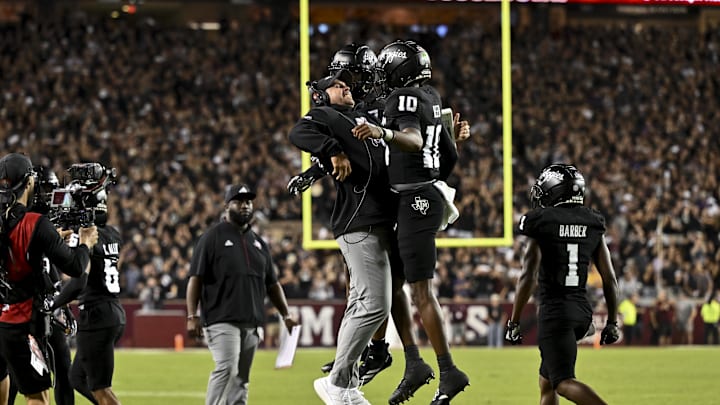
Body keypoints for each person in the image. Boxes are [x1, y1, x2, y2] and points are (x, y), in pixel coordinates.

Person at [352, 39, 468, 405]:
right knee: (393, 284)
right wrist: (455, 141)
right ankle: (412, 361)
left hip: (416, 199)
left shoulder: (402, 98)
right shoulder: (430, 98)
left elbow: (415, 141)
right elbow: (445, 162)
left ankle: (448, 371)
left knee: (420, 292)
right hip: (421, 194)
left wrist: (383, 133)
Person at [289, 68, 410, 405]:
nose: (344, 88)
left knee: (360, 304)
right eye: (336, 86)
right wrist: (331, 150)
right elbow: (299, 131)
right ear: (321, 95)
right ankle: (338, 382)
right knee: (375, 304)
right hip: (359, 221)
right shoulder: (325, 115)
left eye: (345, 85)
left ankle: (346, 384)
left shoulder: (360, 118)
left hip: (379, 220)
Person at [506, 163, 619, 405]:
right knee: (546, 381)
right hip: (581, 312)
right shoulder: (592, 221)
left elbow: (528, 275)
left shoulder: (541, 221)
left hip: (555, 313)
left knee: (563, 383)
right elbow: (609, 277)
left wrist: (514, 321)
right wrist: (611, 322)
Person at [186, 183, 298, 405]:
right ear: (227, 206)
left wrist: (285, 314)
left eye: (248, 202)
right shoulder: (212, 237)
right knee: (227, 368)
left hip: (252, 321)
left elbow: (272, 284)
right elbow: (195, 278)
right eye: (238, 202)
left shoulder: (258, 243)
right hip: (221, 319)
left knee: (241, 379)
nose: (245, 206)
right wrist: (192, 316)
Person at [0, 153, 98, 405]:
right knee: (38, 396)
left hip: (2, 313)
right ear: (29, 182)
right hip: (22, 321)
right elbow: (76, 267)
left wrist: (48, 240)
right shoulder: (35, 223)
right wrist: (85, 243)